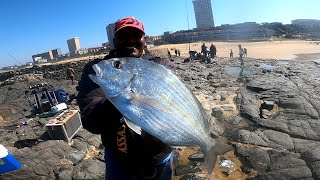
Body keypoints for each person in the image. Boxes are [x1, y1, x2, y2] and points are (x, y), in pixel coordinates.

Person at [77, 16, 176, 180]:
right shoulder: (100, 70)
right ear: (114, 40)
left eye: (136, 35)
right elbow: (90, 120)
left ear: (144, 40)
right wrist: (120, 96)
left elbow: (175, 103)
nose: (131, 40)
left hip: (161, 156)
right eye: (124, 36)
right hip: (121, 160)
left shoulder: (160, 65)